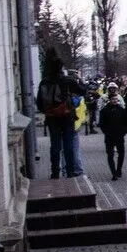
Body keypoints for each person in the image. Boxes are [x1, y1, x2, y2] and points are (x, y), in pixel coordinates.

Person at [35, 49, 84, 179]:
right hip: (67, 117)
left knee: (55, 146)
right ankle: (70, 171)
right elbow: (82, 91)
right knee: (69, 144)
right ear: (61, 67)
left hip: (52, 118)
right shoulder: (67, 80)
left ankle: (55, 172)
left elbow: (39, 103)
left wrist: (49, 111)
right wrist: (79, 80)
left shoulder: (44, 82)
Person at [97, 85, 127, 181]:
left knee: (121, 153)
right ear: (110, 100)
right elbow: (102, 124)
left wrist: (124, 132)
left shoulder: (121, 110)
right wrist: (107, 132)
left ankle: (119, 169)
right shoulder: (104, 111)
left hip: (119, 135)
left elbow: (125, 122)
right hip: (109, 136)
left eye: (116, 99)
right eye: (113, 99)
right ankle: (113, 172)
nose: (115, 101)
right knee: (110, 154)